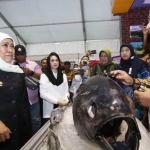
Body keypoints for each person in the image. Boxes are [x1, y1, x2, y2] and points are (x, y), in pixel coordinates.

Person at [0, 32, 31, 150]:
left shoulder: (18, 72)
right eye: (5, 45)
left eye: (12, 46)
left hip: (19, 132)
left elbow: (24, 104)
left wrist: (28, 130)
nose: (10, 50)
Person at [117, 43, 150, 121]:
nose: (124, 53)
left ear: (131, 51)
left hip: (139, 102)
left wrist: (132, 84)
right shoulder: (118, 67)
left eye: (127, 50)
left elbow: (147, 82)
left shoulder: (140, 64)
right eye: (122, 51)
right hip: (122, 104)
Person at [14, 45, 42, 135]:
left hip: (33, 101)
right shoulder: (10, 65)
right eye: (18, 55)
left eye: (22, 54)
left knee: (35, 121)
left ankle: (36, 141)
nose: (20, 56)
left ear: (26, 54)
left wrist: (31, 72)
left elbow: (42, 77)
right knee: (21, 122)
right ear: (14, 55)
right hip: (18, 102)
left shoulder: (33, 64)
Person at [39, 52, 69, 124]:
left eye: (56, 60)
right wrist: (57, 101)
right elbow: (42, 94)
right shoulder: (44, 76)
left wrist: (65, 101)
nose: (55, 62)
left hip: (62, 108)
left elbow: (66, 91)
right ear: (49, 63)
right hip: (49, 111)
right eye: (52, 60)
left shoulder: (63, 76)